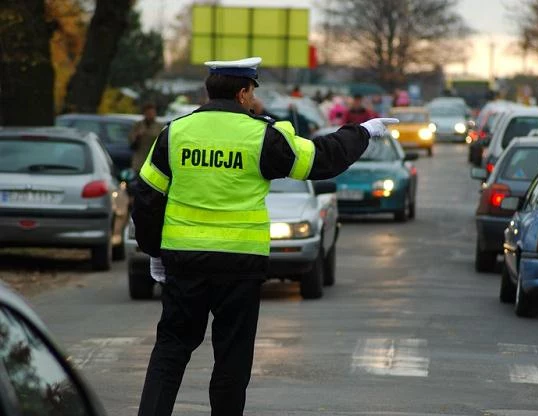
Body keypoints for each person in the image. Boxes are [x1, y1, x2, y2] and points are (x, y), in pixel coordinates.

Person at [132, 56, 398, 416]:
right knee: (231, 359)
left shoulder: (174, 133)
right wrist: (362, 132)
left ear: (208, 91)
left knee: (171, 349)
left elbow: (148, 196)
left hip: (185, 261)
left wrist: (154, 252)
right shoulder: (262, 136)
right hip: (240, 267)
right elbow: (320, 159)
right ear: (243, 93)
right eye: (251, 91)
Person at [129, 102, 164, 172]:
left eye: (152, 113)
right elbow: (132, 145)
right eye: (148, 113)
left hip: (153, 163)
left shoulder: (160, 126)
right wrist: (137, 136)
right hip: (139, 163)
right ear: (144, 113)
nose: (151, 115)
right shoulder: (138, 125)